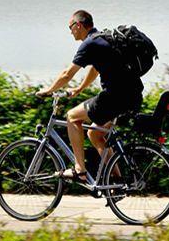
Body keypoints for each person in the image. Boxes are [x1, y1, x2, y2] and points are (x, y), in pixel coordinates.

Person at [36, 10, 143, 182]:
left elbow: (66, 74)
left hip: (114, 97)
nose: (70, 31)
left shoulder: (89, 44)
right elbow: (95, 69)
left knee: (72, 117)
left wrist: (48, 90)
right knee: (95, 134)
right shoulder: (103, 39)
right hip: (132, 95)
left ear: (78, 25)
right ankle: (117, 181)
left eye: (70, 27)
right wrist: (79, 89)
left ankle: (80, 170)